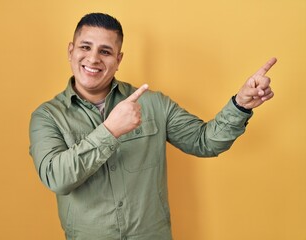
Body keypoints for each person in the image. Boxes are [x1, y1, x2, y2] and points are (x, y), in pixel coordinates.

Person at [29, 12, 276, 240]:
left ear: (118, 59)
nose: (93, 58)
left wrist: (240, 105)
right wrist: (110, 130)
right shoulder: (47, 116)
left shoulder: (153, 103)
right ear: (71, 51)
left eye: (105, 51)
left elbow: (205, 142)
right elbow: (57, 178)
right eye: (85, 47)